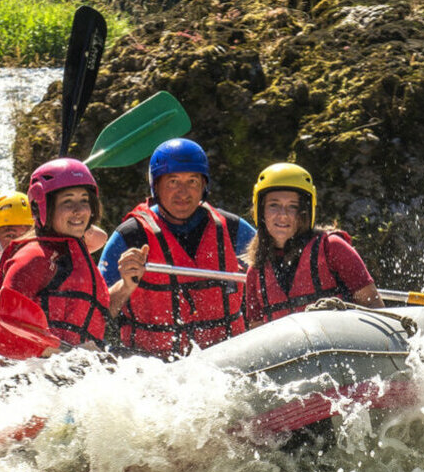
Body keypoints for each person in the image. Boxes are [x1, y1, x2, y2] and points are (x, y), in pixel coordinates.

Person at [101, 139, 258, 358]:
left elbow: (272, 280)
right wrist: (125, 286)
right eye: (173, 181)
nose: (183, 192)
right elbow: (96, 315)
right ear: (156, 186)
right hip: (152, 367)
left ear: (204, 186)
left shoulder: (234, 230)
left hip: (227, 361)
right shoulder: (130, 236)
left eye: (192, 181)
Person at [0, 159, 112, 359]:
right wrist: (68, 356)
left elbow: (100, 236)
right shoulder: (34, 258)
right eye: (67, 201)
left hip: (72, 373)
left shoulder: (73, 250)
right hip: (35, 378)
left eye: (84, 201)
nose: (79, 210)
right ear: (42, 207)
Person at [240, 162, 381, 326]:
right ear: (260, 210)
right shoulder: (256, 271)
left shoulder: (332, 247)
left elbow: (374, 308)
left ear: (305, 212)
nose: (283, 215)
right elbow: (256, 331)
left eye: (292, 206)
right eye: (274, 205)